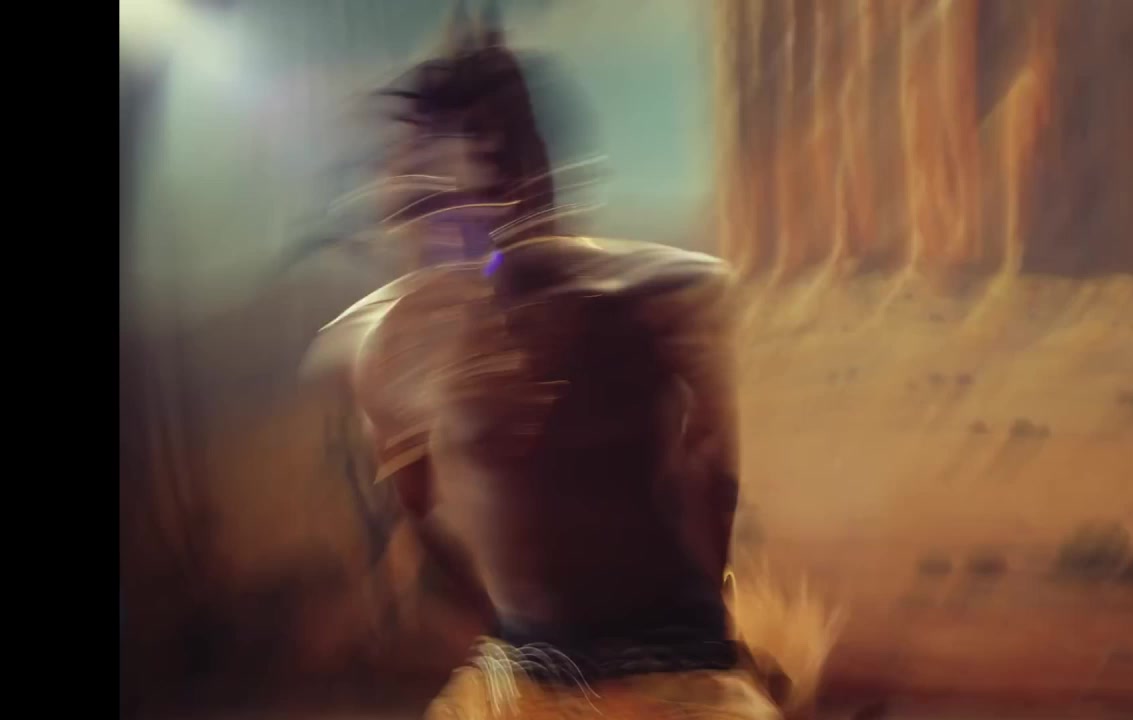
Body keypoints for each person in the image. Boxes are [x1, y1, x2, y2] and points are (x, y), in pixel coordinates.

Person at [305, 4, 789, 718]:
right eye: (451, 169)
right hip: (533, 671)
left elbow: (713, 477)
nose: (496, 180)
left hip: (681, 660)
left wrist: (702, 638)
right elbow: (419, 518)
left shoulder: (671, 296)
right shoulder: (383, 344)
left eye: (513, 149)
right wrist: (517, 638)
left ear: (545, 164)